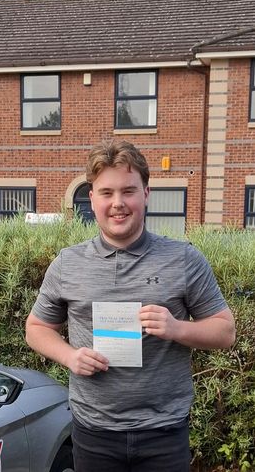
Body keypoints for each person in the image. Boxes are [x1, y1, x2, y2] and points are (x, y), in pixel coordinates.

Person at [25, 140, 235, 472]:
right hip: (93, 431)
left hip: (164, 432)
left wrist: (177, 328)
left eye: (128, 191)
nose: (118, 203)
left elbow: (225, 332)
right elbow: (36, 328)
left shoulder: (183, 259)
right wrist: (69, 356)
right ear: (92, 198)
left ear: (146, 194)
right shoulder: (68, 263)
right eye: (106, 193)